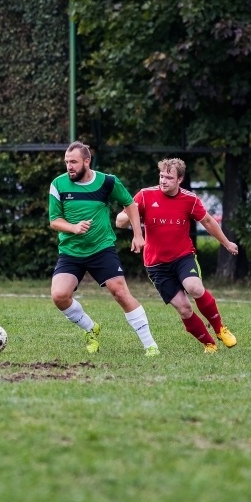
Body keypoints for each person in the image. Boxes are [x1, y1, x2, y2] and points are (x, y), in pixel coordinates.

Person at [115, 158, 239, 354]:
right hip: (156, 264)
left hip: (183, 257)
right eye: (161, 176)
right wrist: (131, 217)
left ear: (180, 179)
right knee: (184, 309)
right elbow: (120, 220)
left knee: (194, 287)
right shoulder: (146, 195)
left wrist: (226, 243)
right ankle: (209, 344)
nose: (163, 181)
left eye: (169, 177)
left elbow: (207, 221)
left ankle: (220, 329)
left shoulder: (190, 199)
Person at [49, 141, 159, 356]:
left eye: (73, 162)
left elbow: (130, 204)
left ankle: (150, 345)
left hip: (101, 248)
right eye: (66, 162)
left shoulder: (107, 182)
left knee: (120, 293)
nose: (69, 166)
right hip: (71, 251)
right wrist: (73, 227)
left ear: (86, 161)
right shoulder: (58, 184)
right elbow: (54, 220)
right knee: (59, 296)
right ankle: (90, 328)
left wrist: (138, 234)